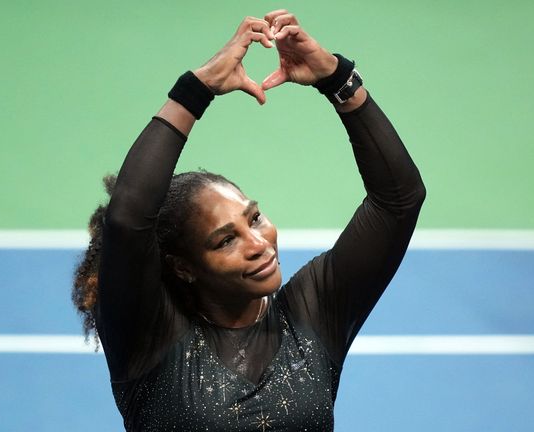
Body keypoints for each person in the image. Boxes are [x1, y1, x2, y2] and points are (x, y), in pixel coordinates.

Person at [72, 10, 425, 431]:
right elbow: (128, 220)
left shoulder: (313, 314)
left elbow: (399, 201)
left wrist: (338, 79)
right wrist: (194, 92)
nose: (258, 243)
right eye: (225, 241)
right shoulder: (149, 338)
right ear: (184, 267)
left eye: (254, 218)